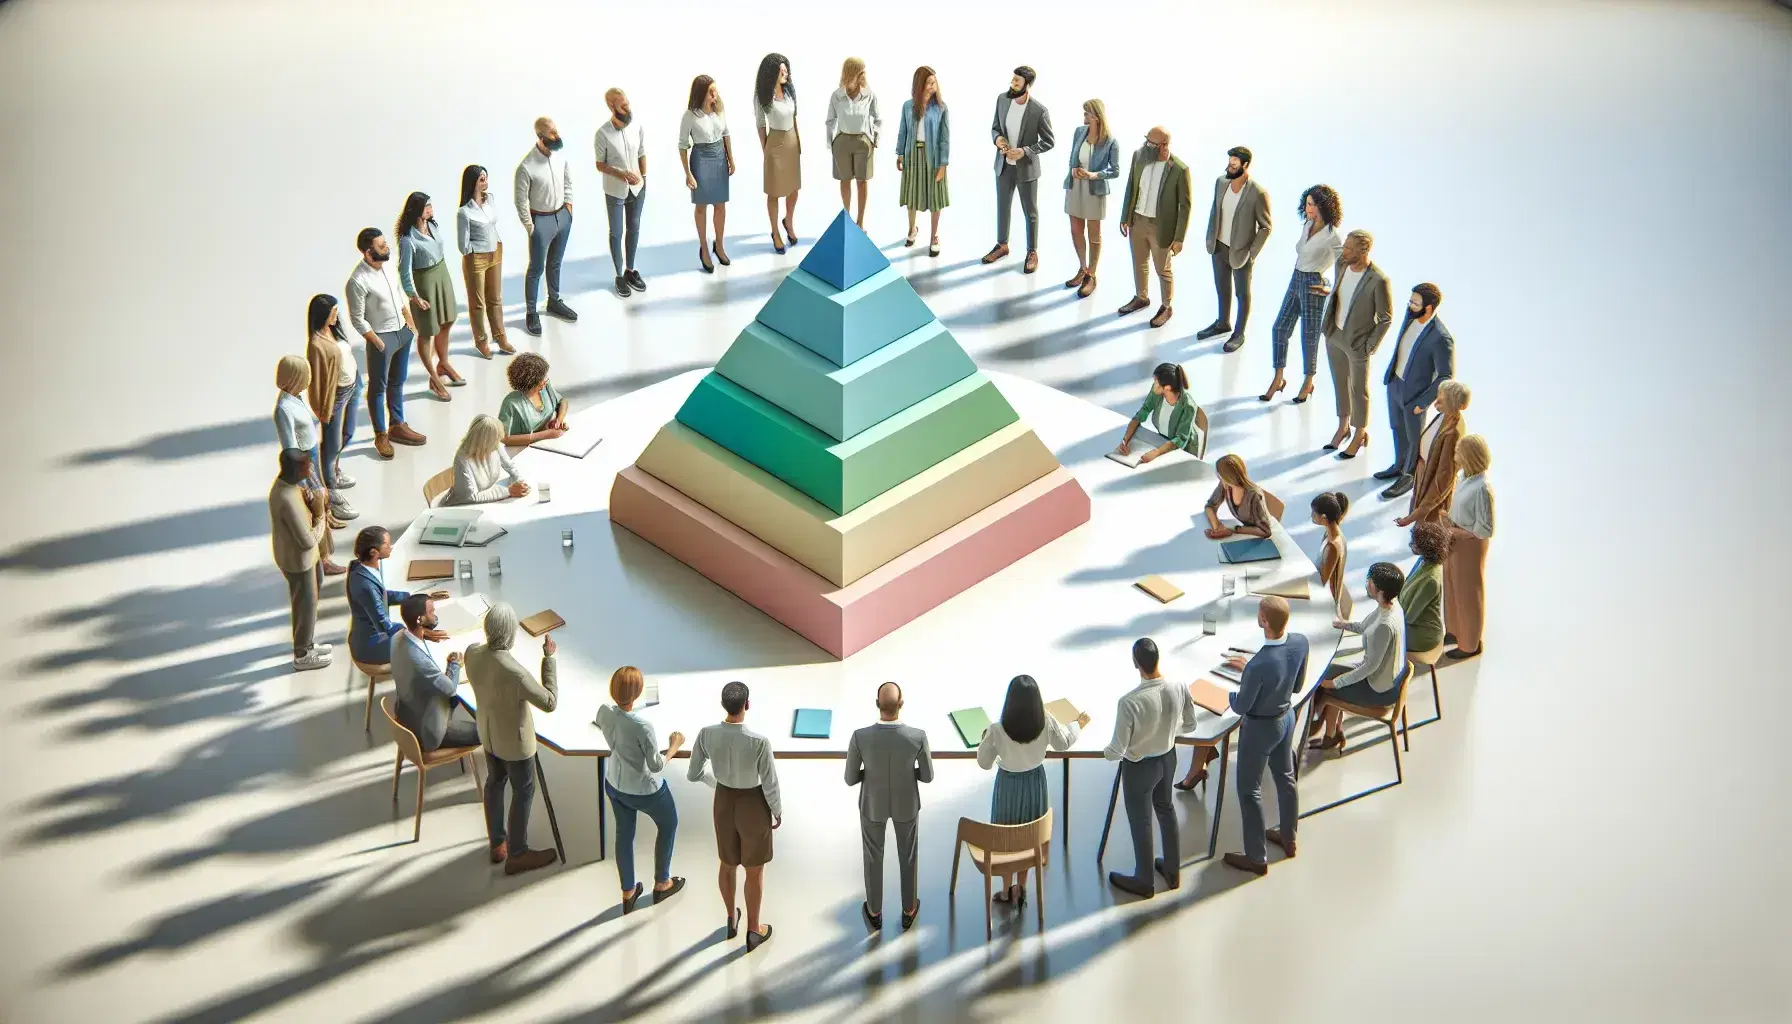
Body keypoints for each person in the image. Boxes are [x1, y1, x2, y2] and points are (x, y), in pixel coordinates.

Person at [463, 602, 559, 875]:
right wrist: (549, 660)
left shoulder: (472, 653)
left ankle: (497, 843)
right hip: (515, 745)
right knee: (523, 790)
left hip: (489, 735)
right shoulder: (515, 672)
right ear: (510, 633)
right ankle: (517, 853)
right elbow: (549, 702)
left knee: (494, 783)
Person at [975, 674, 1086, 906]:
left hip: (1007, 785)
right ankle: (1021, 888)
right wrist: (1078, 724)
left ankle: (1005, 891)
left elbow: (984, 763)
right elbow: (1063, 743)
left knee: (1007, 839)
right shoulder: (1045, 720)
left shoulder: (997, 729)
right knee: (1028, 837)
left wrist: (985, 740)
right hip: (1035, 782)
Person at [687, 681, 781, 952]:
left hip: (724, 802)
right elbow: (770, 782)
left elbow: (693, 774)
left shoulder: (706, 734)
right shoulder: (759, 742)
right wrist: (776, 810)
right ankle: (754, 930)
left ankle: (731, 918)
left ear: (723, 705)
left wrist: (716, 783)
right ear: (747, 705)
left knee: (727, 863)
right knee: (755, 871)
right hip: (753, 803)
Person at [1219, 596, 1309, 875]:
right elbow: (1297, 686)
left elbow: (1241, 705)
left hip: (1260, 729)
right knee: (1286, 777)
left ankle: (1257, 858)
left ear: (1263, 621)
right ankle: (1288, 837)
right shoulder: (1301, 642)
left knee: (1249, 790)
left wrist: (1234, 688)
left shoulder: (1258, 664)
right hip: (1286, 719)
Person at [1103, 638, 1197, 897]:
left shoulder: (1129, 702)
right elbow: (1190, 725)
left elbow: (1117, 750)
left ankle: (1144, 880)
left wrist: (1103, 751)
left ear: (1135, 663)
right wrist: (1166, 731)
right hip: (1168, 758)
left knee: (1141, 820)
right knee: (1166, 809)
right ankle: (1173, 871)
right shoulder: (1179, 686)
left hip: (1139, 768)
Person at [845, 682, 934, 932]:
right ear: (901, 705)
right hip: (907, 804)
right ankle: (909, 909)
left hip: (872, 804)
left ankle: (874, 911)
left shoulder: (860, 736)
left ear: (877, 705)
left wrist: (872, 775)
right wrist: (905, 773)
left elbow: (850, 778)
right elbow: (927, 776)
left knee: (873, 856)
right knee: (908, 856)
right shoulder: (917, 736)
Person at [596, 667, 686, 912]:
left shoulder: (603, 712)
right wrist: (674, 746)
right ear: (636, 694)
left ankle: (628, 892)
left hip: (614, 785)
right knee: (668, 824)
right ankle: (662, 883)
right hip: (644, 790)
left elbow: (616, 725)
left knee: (623, 836)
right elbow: (656, 765)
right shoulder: (642, 726)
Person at [1310, 562, 1408, 751]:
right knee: (1326, 671)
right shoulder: (1391, 606)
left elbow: (1369, 667)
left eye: (1369, 581)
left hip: (1379, 689)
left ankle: (1317, 730)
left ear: (1377, 588)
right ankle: (1329, 733)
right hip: (1380, 676)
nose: (1367, 583)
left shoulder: (1385, 626)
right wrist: (1344, 624)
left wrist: (1335, 683)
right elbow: (1365, 626)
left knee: (1325, 687)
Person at [346, 227, 425, 457]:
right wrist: (376, 341)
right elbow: (357, 318)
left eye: (385, 243)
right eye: (381, 246)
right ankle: (381, 434)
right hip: (382, 337)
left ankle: (397, 425)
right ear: (368, 253)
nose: (387, 247)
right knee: (378, 388)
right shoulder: (357, 281)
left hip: (402, 331)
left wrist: (409, 321)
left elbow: (398, 293)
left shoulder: (389, 266)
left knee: (398, 381)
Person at [1262, 185, 1344, 404]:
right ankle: (1278, 377)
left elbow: (1343, 265)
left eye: (1313, 205)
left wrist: (1328, 284)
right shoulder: (1307, 225)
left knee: (1309, 335)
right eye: (1307, 203)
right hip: (1295, 278)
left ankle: (1309, 380)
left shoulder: (1332, 237)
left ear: (1324, 207)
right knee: (1280, 328)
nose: (1308, 208)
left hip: (1313, 284)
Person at [1375, 283, 1456, 498]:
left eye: (1415, 302)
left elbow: (1446, 375)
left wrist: (1423, 402)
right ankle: (1399, 466)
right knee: (1397, 428)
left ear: (1428, 307)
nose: (1410, 305)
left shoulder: (1441, 337)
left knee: (1414, 439)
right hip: (1395, 384)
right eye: (1410, 301)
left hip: (1415, 397)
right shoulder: (1410, 316)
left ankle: (1409, 477)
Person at [1321, 229, 1393, 459]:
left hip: (1357, 343)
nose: (1345, 251)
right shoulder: (1341, 265)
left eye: (1350, 248)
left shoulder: (1378, 281)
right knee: (1340, 382)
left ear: (1363, 251)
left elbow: (1385, 318)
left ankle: (1359, 432)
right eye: (1346, 246)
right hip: (1334, 335)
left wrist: (1369, 346)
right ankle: (1343, 427)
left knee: (1358, 389)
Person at [1195, 146, 1273, 353]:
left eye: (1234, 164)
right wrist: (1211, 236)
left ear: (1245, 165)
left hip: (1240, 252)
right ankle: (1222, 322)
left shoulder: (1258, 193)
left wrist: (1251, 254)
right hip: (1218, 246)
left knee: (1242, 293)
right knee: (1222, 287)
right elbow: (1215, 210)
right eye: (1229, 163)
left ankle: (1239, 333)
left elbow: (1265, 227)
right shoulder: (1221, 183)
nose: (1229, 167)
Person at [274, 355, 353, 556]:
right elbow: (289, 442)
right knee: (316, 498)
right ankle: (323, 553)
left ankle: (328, 519)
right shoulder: (284, 408)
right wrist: (299, 474)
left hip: (312, 451)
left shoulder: (297, 398)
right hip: (303, 457)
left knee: (322, 492)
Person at [1116, 126, 1193, 329]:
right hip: (1137, 220)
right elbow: (1130, 186)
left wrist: (1179, 239)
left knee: (1162, 269)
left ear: (1164, 146)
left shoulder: (1179, 170)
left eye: (1151, 143)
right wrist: (1125, 216)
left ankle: (1166, 306)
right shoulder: (1139, 157)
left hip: (1161, 227)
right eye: (1147, 140)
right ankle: (1141, 297)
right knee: (1139, 262)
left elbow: (1185, 207)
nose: (1146, 145)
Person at [983, 66, 1054, 274]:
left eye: (1017, 82)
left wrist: (1024, 151)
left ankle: (1032, 251)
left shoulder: (1039, 111)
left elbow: (1049, 142)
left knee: (1030, 212)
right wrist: (999, 140)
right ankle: (1002, 245)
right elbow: (995, 127)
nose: (1013, 84)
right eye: (1012, 80)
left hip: (1027, 169)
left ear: (1027, 85)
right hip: (1004, 165)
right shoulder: (1002, 100)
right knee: (1002, 207)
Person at [269, 449, 332, 672]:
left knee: (311, 599)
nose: (310, 471)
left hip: (308, 558)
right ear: (295, 469)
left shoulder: (290, 486)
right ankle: (302, 654)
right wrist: (321, 514)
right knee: (305, 605)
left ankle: (308, 643)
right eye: (306, 467)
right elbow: (306, 541)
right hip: (298, 560)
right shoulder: (285, 497)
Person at [514, 116, 578, 335]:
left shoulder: (561, 159)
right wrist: (531, 227)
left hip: (562, 216)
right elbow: (521, 200)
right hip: (541, 220)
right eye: (551, 133)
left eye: (556, 130)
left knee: (556, 263)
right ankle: (531, 311)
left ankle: (554, 300)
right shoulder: (526, 166)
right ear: (540, 137)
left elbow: (568, 182)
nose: (556, 135)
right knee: (536, 268)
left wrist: (568, 208)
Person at [390, 593, 479, 752]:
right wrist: (454, 664)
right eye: (431, 612)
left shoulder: (397, 638)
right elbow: (450, 687)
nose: (435, 614)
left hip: (407, 714)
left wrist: (424, 633)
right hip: (428, 731)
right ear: (420, 620)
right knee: (492, 731)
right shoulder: (420, 661)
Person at [346, 525, 445, 666]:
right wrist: (420, 633)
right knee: (426, 645)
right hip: (373, 646)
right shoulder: (365, 585)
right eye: (387, 545)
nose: (391, 547)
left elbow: (384, 595)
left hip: (367, 636)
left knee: (422, 624)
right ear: (374, 552)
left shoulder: (362, 567)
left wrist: (415, 597)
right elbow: (383, 624)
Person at [395, 191, 461, 400]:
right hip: (425, 283)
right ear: (416, 210)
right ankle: (434, 378)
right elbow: (404, 271)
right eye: (427, 207)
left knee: (447, 320)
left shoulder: (433, 225)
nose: (431, 210)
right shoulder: (407, 239)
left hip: (442, 275)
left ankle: (444, 363)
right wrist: (414, 296)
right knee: (427, 331)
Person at [305, 295, 362, 511]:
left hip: (353, 386)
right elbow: (317, 380)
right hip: (336, 395)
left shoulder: (335, 330)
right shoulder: (316, 344)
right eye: (333, 312)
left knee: (348, 432)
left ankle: (335, 470)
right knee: (331, 444)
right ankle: (330, 487)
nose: (337, 316)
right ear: (323, 314)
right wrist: (320, 409)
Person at [1441, 434, 1494, 661]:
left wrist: (1455, 531)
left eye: (1458, 452)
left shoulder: (1482, 488)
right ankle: (1454, 631)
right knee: (1452, 587)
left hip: (1469, 545)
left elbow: (1484, 529)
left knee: (1468, 593)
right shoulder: (1464, 478)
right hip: (1455, 539)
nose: (1455, 456)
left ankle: (1470, 643)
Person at [455, 164, 514, 358]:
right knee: (478, 302)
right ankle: (481, 340)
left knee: (495, 298)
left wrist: (495, 243)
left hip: (495, 252)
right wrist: (477, 250)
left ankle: (500, 337)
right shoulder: (464, 212)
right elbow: (463, 245)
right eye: (481, 179)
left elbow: (493, 223)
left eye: (486, 178)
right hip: (476, 258)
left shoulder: (491, 200)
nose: (485, 182)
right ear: (472, 183)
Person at [1062, 98, 1119, 298]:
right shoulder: (1079, 132)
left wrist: (1095, 175)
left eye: (1087, 113)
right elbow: (1073, 157)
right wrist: (1074, 169)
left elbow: (1115, 170)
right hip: (1075, 186)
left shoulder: (1110, 141)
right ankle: (1083, 268)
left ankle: (1092, 275)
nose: (1084, 116)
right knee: (1076, 229)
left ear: (1095, 116)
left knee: (1094, 234)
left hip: (1094, 189)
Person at [595, 89, 650, 297]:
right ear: (611, 107)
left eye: (628, 104)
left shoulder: (637, 126)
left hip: (637, 187)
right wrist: (622, 174)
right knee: (616, 232)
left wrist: (644, 177)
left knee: (634, 228)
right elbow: (600, 164)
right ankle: (618, 275)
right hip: (615, 190)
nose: (628, 109)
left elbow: (642, 152)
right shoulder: (602, 134)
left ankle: (630, 270)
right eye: (623, 106)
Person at [680, 76, 734, 273]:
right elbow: (683, 145)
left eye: (715, 90)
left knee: (720, 206)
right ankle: (704, 247)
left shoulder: (719, 109)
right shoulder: (690, 115)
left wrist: (731, 159)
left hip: (719, 157)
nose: (715, 94)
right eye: (711, 91)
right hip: (701, 160)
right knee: (701, 206)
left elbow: (726, 133)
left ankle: (719, 244)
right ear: (701, 93)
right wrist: (688, 173)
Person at [1396, 380, 1470, 524]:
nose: (1438, 400)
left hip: (1432, 492)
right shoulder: (1443, 415)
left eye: (1444, 397)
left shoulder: (1453, 433)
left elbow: (1444, 478)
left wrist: (1414, 515)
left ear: (1455, 403)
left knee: (1428, 531)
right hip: (1423, 474)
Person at [895, 66, 949, 256]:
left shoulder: (941, 108)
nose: (932, 86)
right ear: (920, 84)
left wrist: (943, 164)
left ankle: (934, 236)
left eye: (934, 82)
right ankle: (912, 229)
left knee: (935, 198)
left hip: (933, 159)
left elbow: (944, 138)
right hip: (912, 155)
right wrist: (900, 153)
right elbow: (903, 131)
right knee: (912, 196)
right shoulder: (907, 106)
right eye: (928, 82)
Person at [753, 53, 802, 253]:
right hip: (775, 142)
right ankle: (775, 231)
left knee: (793, 189)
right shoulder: (762, 97)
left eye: (786, 69)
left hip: (791, 141)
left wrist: (798, 141)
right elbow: (760, 123)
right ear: (771, 73)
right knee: (774, 192)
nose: (786, 73)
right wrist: (765, 148)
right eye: (781, 70)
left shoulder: (790, 92)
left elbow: (795, 116)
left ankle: (788, 221)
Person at [827, 57, 881, 228]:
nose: (864, 74)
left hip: (863, 142)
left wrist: (875, 138)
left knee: (862, 181)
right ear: (853, 72)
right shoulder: (837, 96)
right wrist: (832, 144)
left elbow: (878, 118)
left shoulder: (869, 95)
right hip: (842, 141)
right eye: (861, 71)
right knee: (845, 180)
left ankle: (860, 222)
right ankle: (848, 219)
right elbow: (830, 120)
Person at [1114, 362, 1201, 462]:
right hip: (1162, 441)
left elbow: (1181, 439)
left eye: (1156, 381)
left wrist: (1157, 452)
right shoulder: (1157, 392)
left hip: (1183, 450)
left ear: (1167, 388)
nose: (1154, 383)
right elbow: (1142, 413)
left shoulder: (1188, 406)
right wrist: (1126, 440)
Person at [447, 415, 528, 505]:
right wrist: (508, 491)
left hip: (486, 503)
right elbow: (471, 497)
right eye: (495, 440)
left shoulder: (495, 446)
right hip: (464, 507)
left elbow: (511, 467)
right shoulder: (462, 459)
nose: (498, 443)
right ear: (485, 442)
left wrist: (519, 482)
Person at [497, 353, 569, 446]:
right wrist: (544, 435)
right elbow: (503, 438)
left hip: (547, 444)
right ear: (531, 381)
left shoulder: (545, 387)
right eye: (542, 377)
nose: (546, 380)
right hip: (521, 449)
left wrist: (559, 420)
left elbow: (562, 401)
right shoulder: (511, 402)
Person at [1402, 521, 1450, 656]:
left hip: (1422, 635)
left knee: (1379, 634)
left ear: (1426, 547)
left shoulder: (1431, 580)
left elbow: (1410, 617)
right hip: (1414, 625)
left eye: (1415, 543)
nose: (1410, 545)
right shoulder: (1423, 561)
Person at [1203, 454, 1274, 540]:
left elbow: (1266, 531)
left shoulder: (1254, 495)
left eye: (1221, 475)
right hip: (1245, 534)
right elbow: (1210, 505)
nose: (1219, 477)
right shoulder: (1226, 485)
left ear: (1229, 476)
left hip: (1262, 536)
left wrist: (1234, 530)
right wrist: (1217, 526)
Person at [1310, 491, 1351, 611]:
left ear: (1323, 517)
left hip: (1326, 597)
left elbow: (1322, 580)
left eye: (1314, 513)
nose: (1311, 515)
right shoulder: (1330, 531)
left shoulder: (1333, 545)